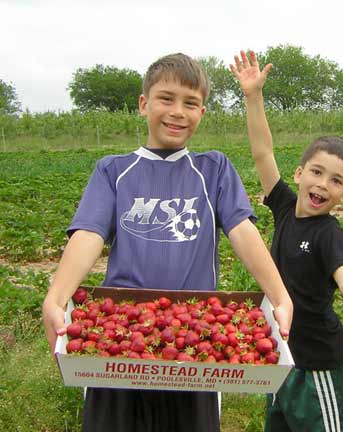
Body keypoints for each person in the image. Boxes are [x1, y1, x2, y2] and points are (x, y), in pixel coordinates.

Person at [42, 53, 294, 432]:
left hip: (197, 336)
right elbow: (90, 233)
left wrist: (279, 296)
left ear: (202, 112)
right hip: (121, 335)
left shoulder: (213, 169)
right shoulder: (114, 170)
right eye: (166, 98)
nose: (178, 111)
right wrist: (57, 296)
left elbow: (243, 231)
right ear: (144, 104)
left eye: (190, 103)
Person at [230, 50, 343, 432]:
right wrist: (253, 96)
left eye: (336, 180)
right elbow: (263, 151)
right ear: (299, 173)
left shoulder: (328, 233)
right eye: (316, 172)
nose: (322, 184)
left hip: (321, 364)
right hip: (283, 356)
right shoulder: (283, 205)